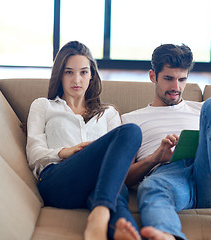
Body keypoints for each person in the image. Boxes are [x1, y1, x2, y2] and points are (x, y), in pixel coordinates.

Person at [122, 43, 211, 240]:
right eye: (168, 79)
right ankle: (167, 234)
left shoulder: (203, 110)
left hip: (209, 173)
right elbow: (124, 177)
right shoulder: (131, 119)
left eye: (182, 79)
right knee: (151, 188)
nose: (176, 87)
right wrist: (155, 158)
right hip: (168, 175)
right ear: (153, 76)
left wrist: (210, 151)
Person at [26, 41, 142, 240]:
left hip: (99, 184)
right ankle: (100, 215)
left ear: (92, 75)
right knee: (129, 133)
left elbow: (119, 163)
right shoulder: (43, 106)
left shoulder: (108, 113)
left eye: (83, 72)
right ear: (59, 74)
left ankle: (123, 230)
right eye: (69, 72)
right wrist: (66, 151)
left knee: (131, 133)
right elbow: (33, 154)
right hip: (59, 180)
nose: (76, 79)